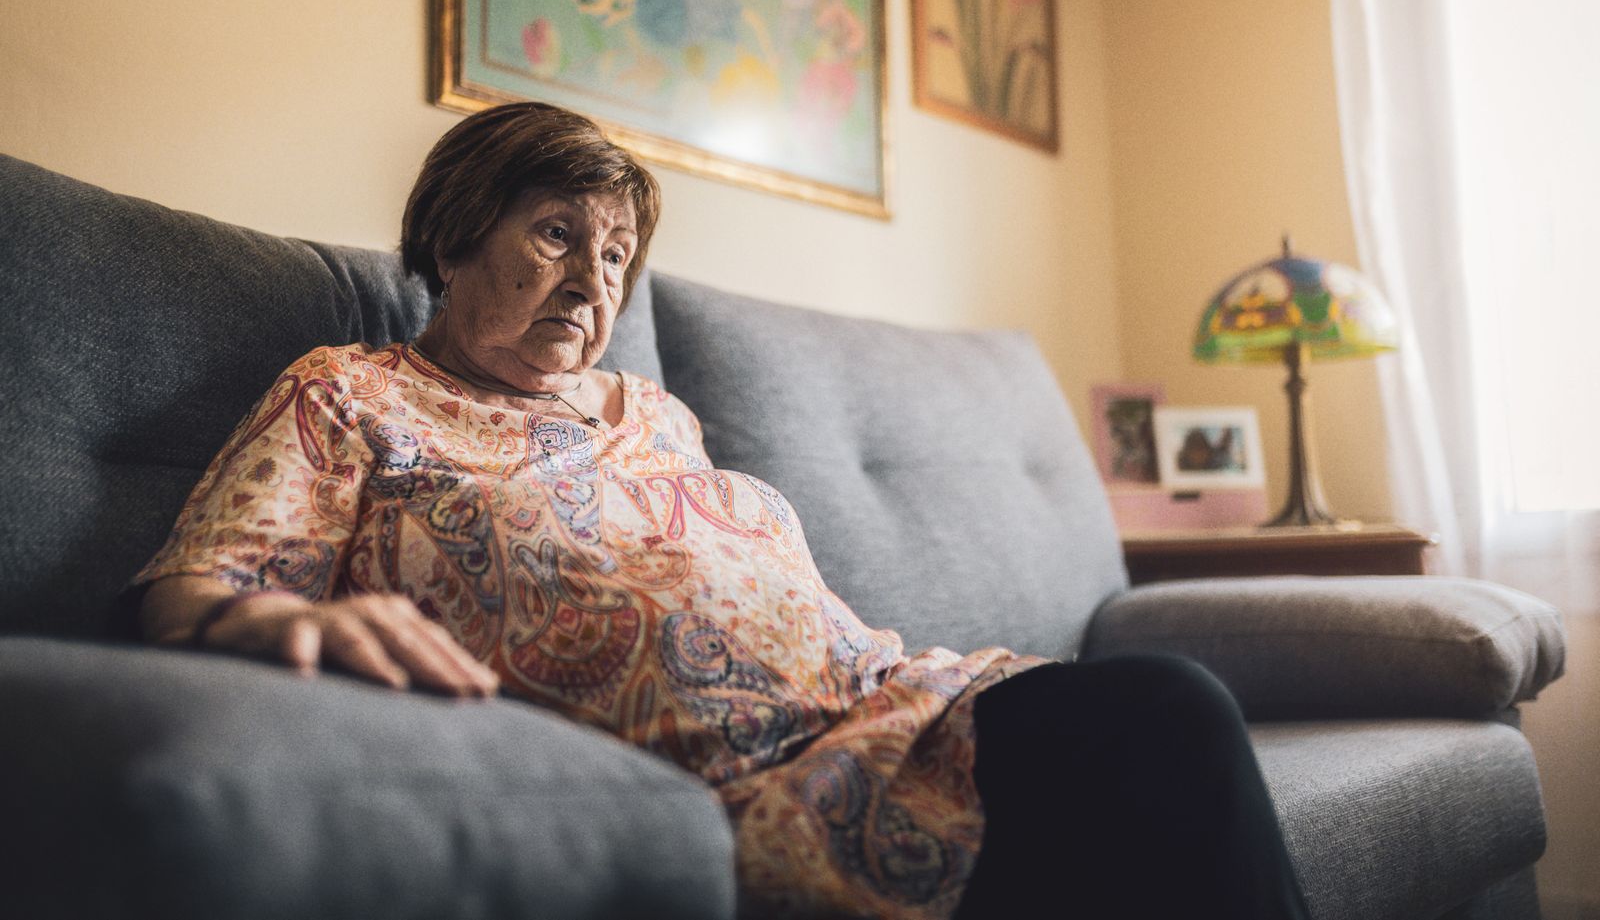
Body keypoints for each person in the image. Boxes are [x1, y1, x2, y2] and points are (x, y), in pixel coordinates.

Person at [135, 102, 1309, 920]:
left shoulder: (655, 410)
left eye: (615, 255)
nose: (591, 279)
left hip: (898, 707)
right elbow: (198, 586)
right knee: (1165, 724)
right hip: (766, 783)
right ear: (452, 235)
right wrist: (269, 622)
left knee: (1163, 721)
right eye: (556, 233)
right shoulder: (353, 393)